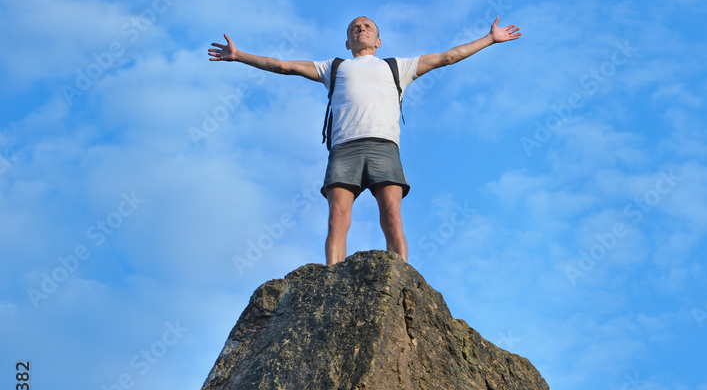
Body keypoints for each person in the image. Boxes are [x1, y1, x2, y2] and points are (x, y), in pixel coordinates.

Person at [209, 15, 521, 266]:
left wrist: (490, 39)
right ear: (347, 42)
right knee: (337, 217)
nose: (361, 29)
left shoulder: (396, 66)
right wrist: (239, 56)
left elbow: (448, 57)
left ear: (378, 40)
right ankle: (332, 280)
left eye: (368, 26)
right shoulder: (334, 68)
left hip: (384, 147)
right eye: (355, 28)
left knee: (392, 215)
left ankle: (400, 277)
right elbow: (282, 65)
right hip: (344, 149)